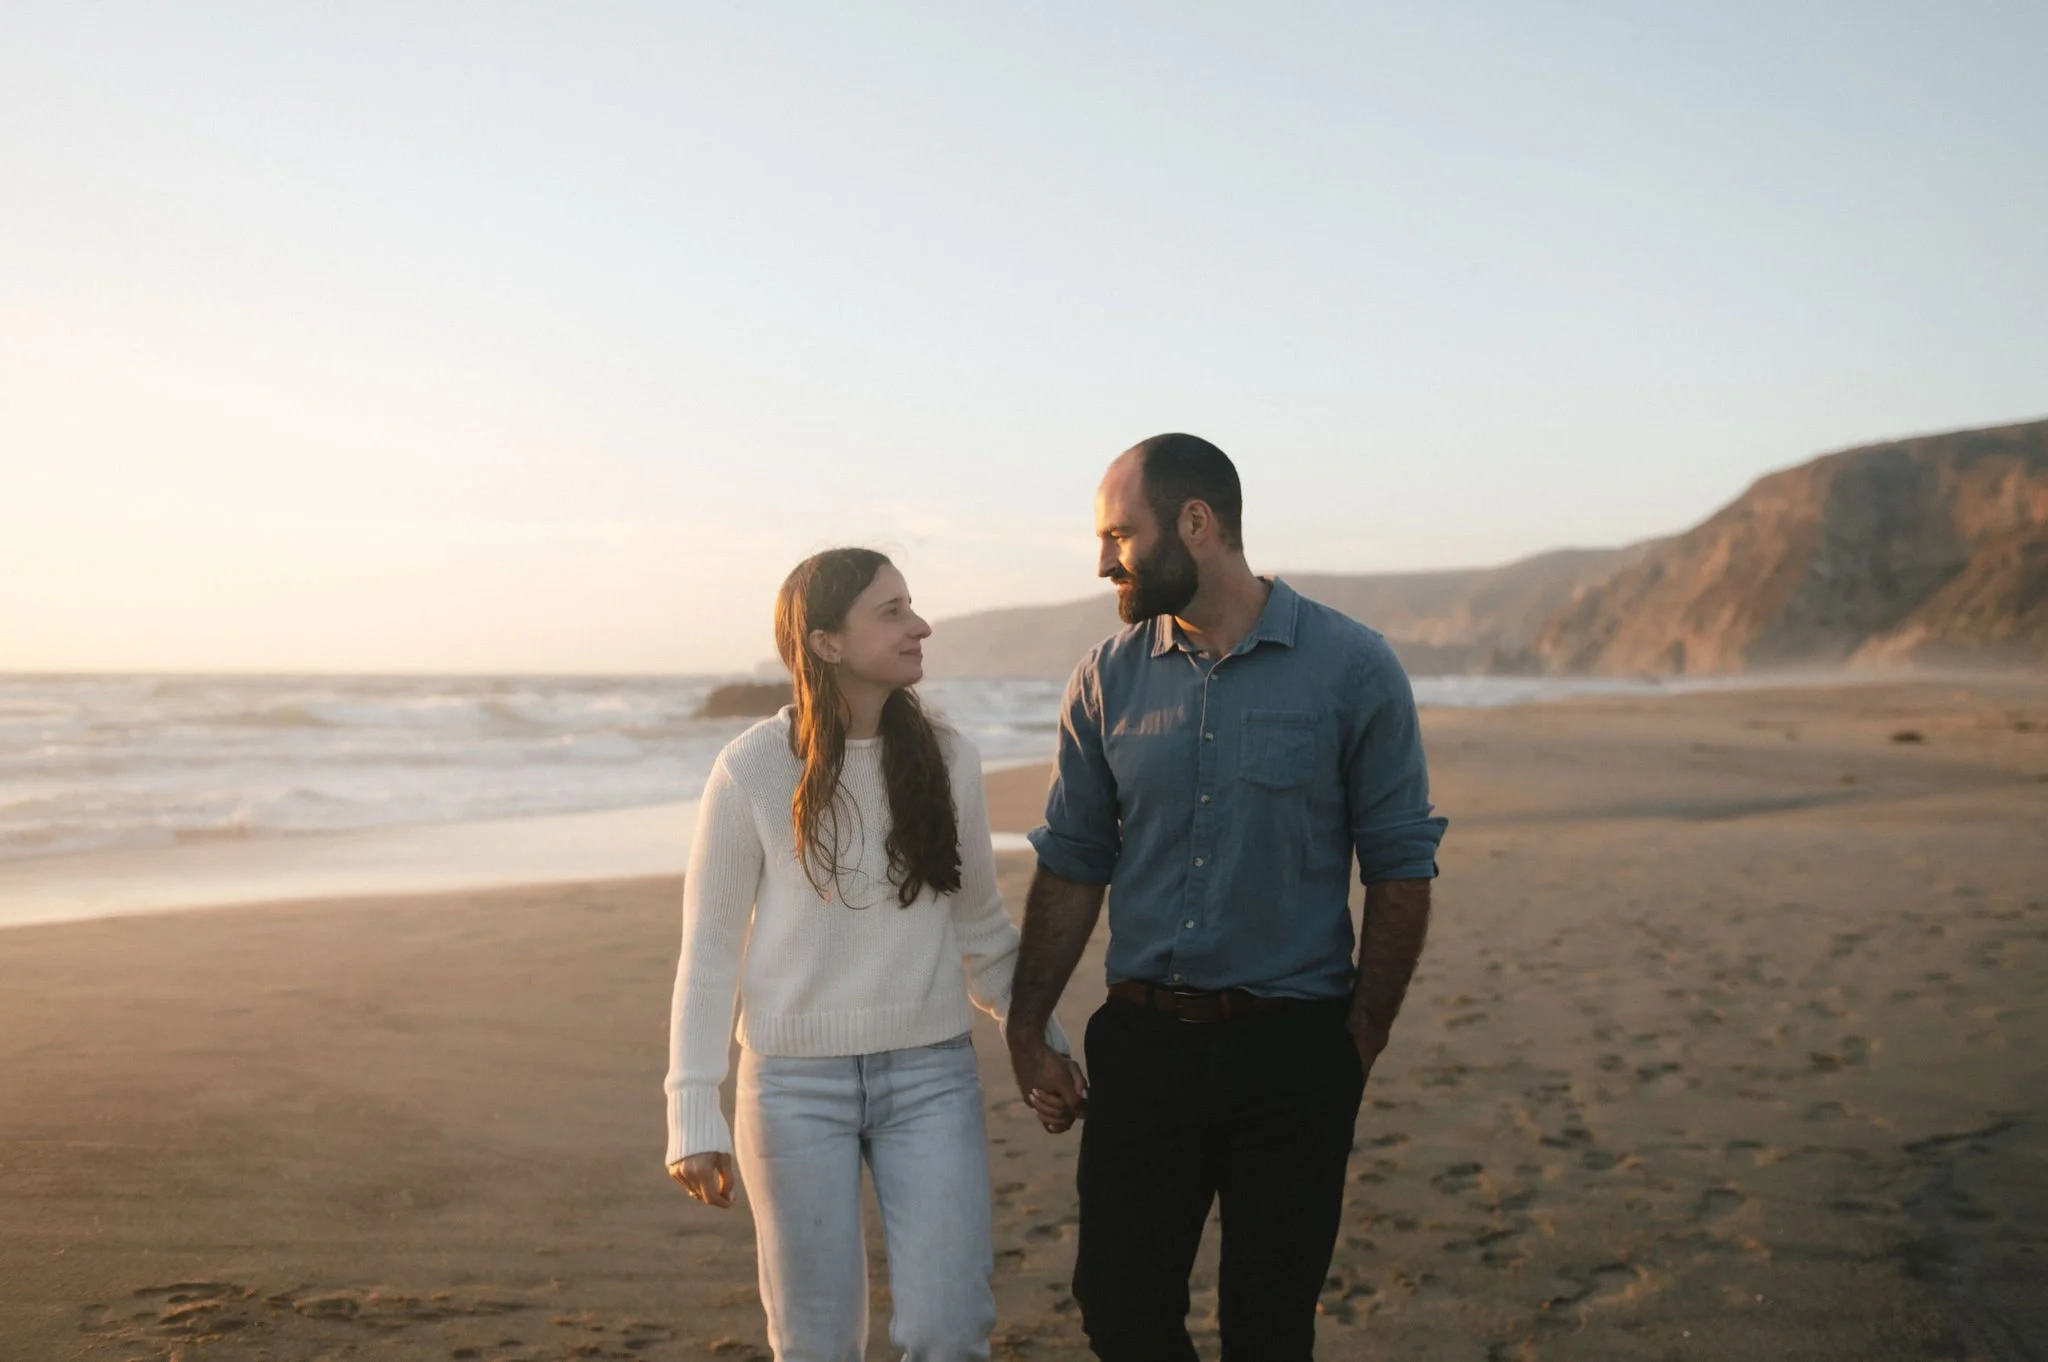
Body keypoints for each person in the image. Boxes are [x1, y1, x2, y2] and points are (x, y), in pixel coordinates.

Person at [1004, 434, 1448, 1359]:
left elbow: (1400, 866)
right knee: (1120, 1314)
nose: (1101, 562)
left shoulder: (1353, 667)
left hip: (1294, 1053)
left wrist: (1359, 1041)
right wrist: (1027, 1023)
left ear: (1197, 524)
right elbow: (1075, 860)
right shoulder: (1105, 678)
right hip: (1143, 1052)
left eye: (1120, 535)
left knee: (1270, 1327)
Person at [665, 546, 1073, 1361]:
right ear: (826, 643)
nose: (920, 625)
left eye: (911, 606)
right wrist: (691, 1109)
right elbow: (708, 956)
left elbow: (981, 926)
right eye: (892, 611)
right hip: (789, 1089)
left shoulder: (948, 756)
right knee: (815, 1345)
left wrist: (1040, 1042)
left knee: (949, 1333)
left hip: (930, 1077)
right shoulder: (751, 768)